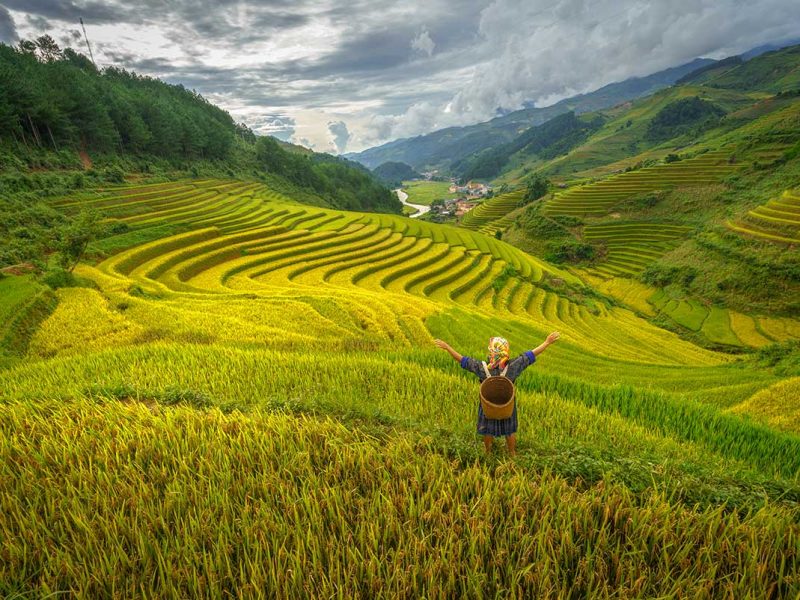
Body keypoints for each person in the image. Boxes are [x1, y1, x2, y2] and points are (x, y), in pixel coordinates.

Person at [434, 332, 561, 456]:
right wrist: (547, 342)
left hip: (488, 405)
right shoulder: (513, 366)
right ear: (506, 351)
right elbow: (531, 355)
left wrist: (447, 347)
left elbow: (463, 361)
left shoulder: (482, 367)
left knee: (488, 430)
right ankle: (512, 453)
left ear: (492, 352)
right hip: (507, 405)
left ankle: (487, 453)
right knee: (509, 430)